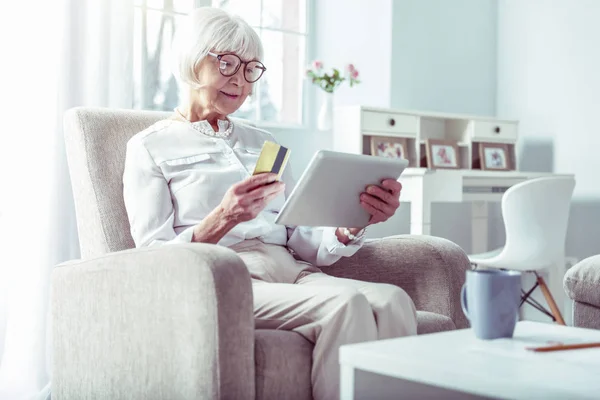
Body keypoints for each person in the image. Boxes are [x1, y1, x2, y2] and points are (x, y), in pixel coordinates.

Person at [122, 7, 417, 400]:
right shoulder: (150, 147)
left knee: (394, 301)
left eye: (250, 69)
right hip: (229, 277)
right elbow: (152, 259)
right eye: (227, 63)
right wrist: (224, 218)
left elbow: (299, 235)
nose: (240, 81)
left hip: (294, 271)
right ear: (193, 61)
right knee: (346, 304)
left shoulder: (265, 144)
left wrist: (352, 224)